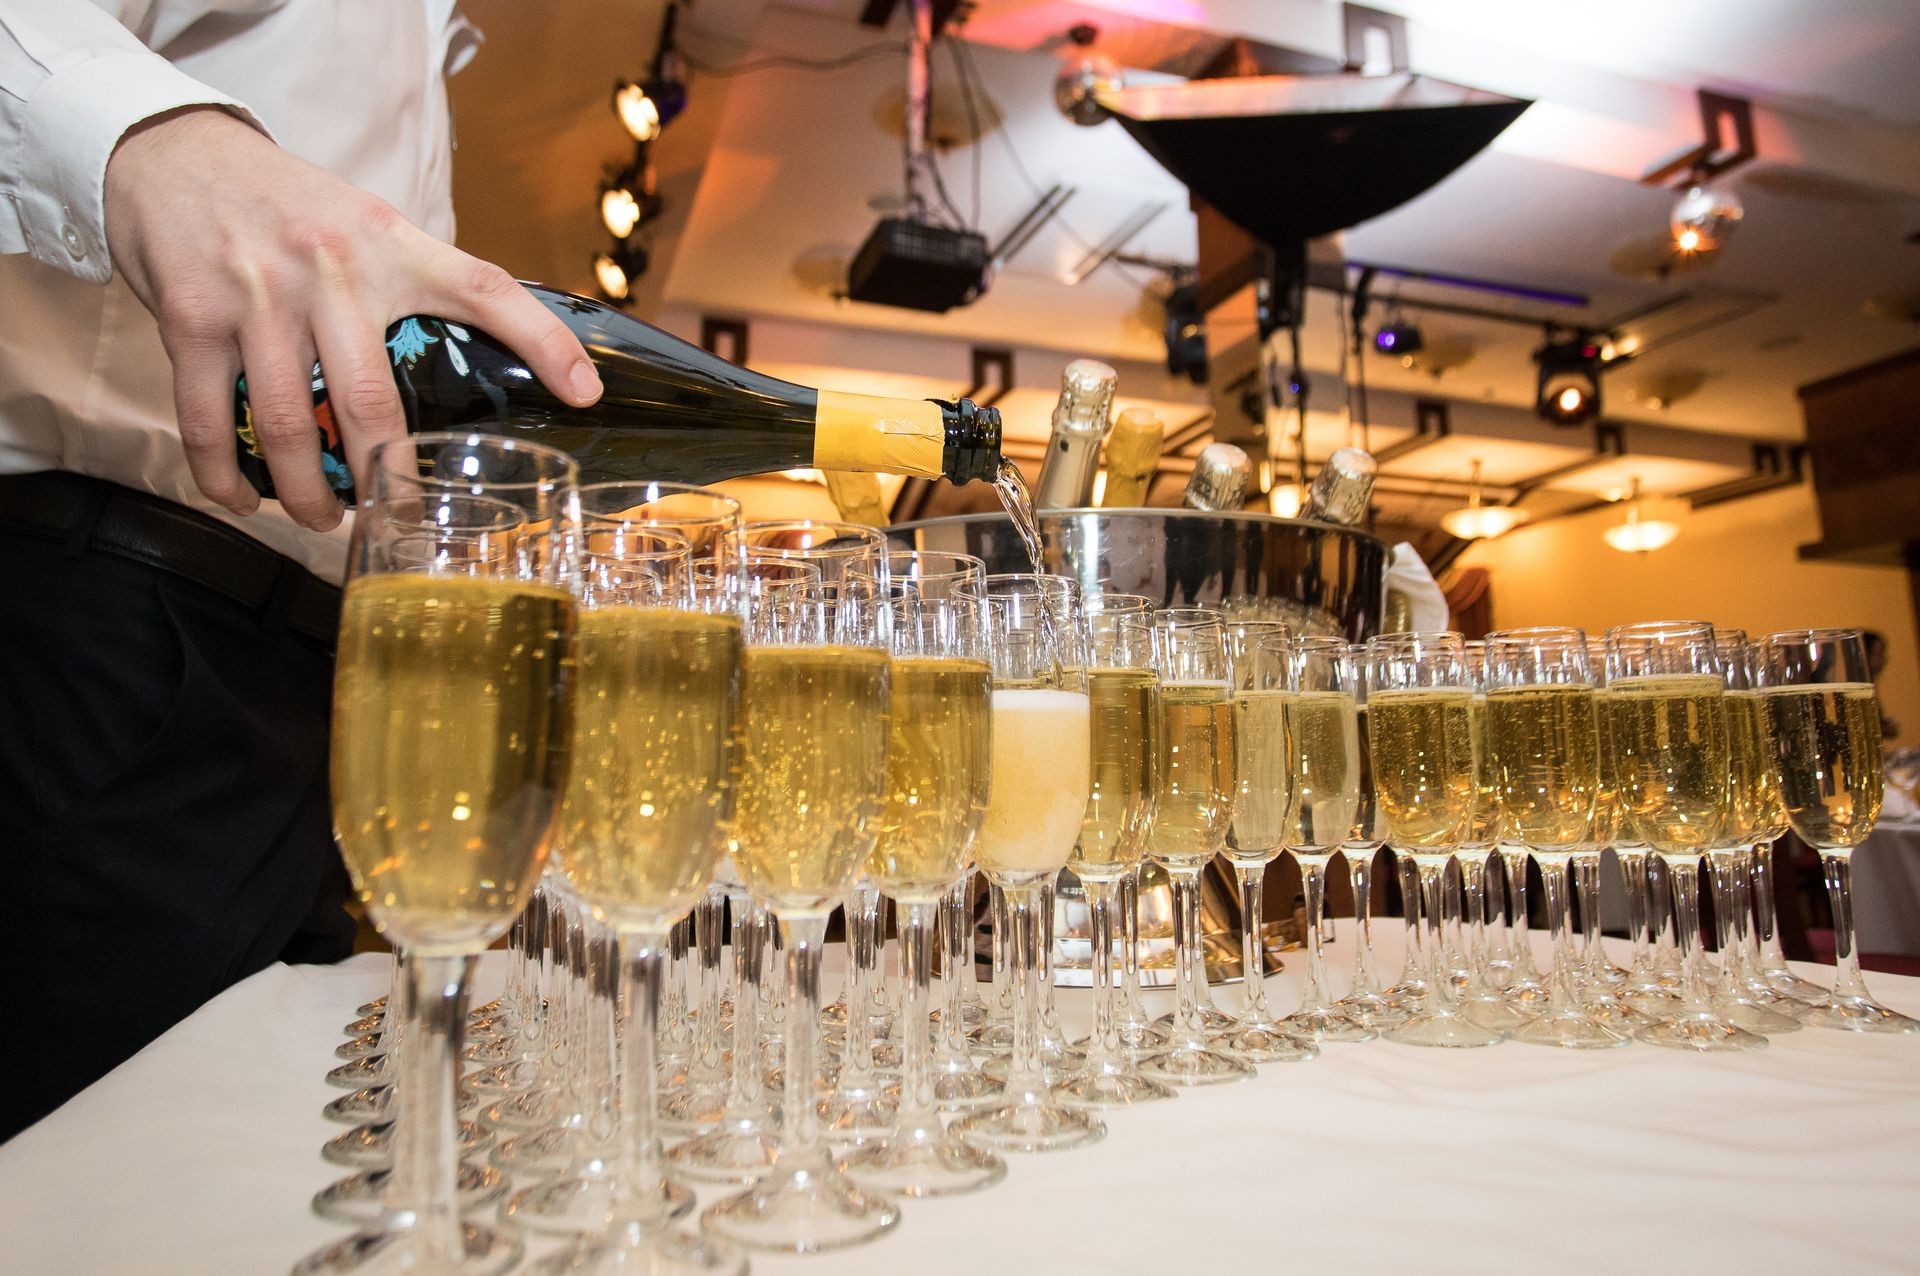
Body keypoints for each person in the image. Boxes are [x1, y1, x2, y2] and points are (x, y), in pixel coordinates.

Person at [0, 0, 604, 1141]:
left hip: (300, 683)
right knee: (84, 1188)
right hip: (109, 634)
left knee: (245, 1169)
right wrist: (156, 145)